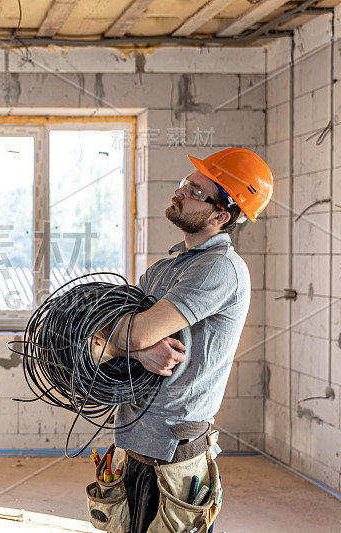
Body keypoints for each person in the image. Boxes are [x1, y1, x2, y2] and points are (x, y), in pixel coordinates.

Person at [103, 148, 274, 533]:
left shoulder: (220, 268)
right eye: (186, 182)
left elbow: (122, 332)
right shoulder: (164, 269)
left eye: (195, 190)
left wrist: (127, 339)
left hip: (174, 453)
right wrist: (140, 349)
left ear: (220, 215)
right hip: (132, 442)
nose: (180, 191)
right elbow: (114, 331)